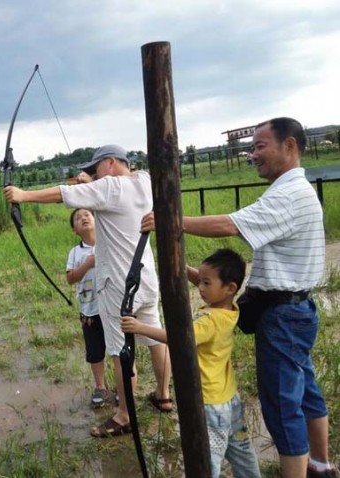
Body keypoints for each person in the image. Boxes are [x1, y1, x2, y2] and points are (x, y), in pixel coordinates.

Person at [142, 118, 336, 478]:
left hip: (283, 315)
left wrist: (171, 220)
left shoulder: (289, 194)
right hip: (295, 310)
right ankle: (321, 465)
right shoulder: (292, 189)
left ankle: (302, 470)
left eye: (260, 146)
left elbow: (231, 225)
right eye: (252, 148)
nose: (253, 155)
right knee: (305, 390)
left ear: (289, 146)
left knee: (282, 407)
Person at [4, 144, 172, 438]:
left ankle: (124, 416)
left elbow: (62, 195)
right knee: (154, 336)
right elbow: (109, 195)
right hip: (146, 278)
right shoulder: (144, 179)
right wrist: (92, 183)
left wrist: (23, 195)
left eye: (96, 168)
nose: (95, 174)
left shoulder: (108, 187)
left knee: (121, 350)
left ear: (110, 163)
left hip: (119, 286)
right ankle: (163, 394)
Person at [122, 249, 261, 478]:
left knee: (208, 459)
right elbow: (205, 279)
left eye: (206, 283)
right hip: (229, 398)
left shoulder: (209, 321)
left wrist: (140, 328)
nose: (201, 287)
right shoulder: (230, 309)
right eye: (200, 281)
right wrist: (181, 267)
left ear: (230, 288)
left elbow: (180, 338)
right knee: (241, 449)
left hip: (209, 403)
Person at [66, 208, 112, 408]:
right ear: (75, 230)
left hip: (112, 306)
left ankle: (125, 385)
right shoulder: (75, 252)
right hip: (89, 311)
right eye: (78, 217)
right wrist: (87, 264)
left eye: (87, 214)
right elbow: (70, 278)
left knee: (121, 347)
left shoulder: (108, 243)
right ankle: (100, 386)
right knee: (95, 351)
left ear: (96, 219)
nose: (83, 217)